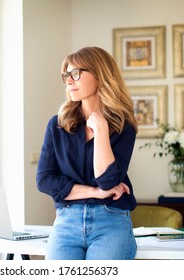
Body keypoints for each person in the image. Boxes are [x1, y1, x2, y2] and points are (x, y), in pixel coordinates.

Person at [36, 46, 138, 260]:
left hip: (111, 222)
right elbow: (45, 180)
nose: (69, 81)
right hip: (66, 222)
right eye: (66, 75)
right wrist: (94, 192)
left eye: (76, 74)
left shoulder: (123, 126)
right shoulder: (57, 125)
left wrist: (101, 129)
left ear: (100, 76)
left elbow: (108, 181)